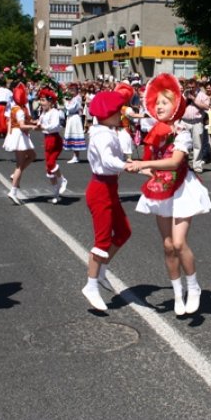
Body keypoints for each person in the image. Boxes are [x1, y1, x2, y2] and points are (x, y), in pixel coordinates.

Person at [127, 73, 211, 316]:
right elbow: (151, 165)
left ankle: (193, 287)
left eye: (164, 103)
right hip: (161, 189)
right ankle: (177, 293)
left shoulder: (182, 131)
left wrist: (143, 165)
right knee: (167, 246)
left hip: (182, 188)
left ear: (175, 105)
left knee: (178, 242)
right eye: (157, 104)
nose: (159, 107)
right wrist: (137, 167)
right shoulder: (155, 132)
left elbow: (175, 162)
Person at [81, 91, 133, 311]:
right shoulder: (102, 135)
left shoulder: (108, 131)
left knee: (123, 231)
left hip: (109, 186)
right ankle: (91, 285)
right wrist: (129, 165)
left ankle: (101, 271)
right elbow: (108, 161)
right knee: (102, 241)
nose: (121, 114)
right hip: (100, 188)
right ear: (108, 113)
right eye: (118, 111)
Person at [3, 83, 37, 205]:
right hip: (19, 135)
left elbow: (17, 122)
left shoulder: (16, 108)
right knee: (19, 164)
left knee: (32, 156)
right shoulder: (20, 110)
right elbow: (22, 125)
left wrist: (34, 122)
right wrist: (33, 127)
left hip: (17, 134)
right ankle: (13, 190)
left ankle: (15, 175)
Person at [35, 88, 68, 204]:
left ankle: (63, 180)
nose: (41, 102)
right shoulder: (43, 113)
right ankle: (56, 193)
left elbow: (54, 125)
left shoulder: (54, 112)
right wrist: (36, 124)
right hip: (47, 139)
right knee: (49, 169)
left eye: (43, 100)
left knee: (51, 163)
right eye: (40, 100)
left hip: (54, 139)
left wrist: (42, 127)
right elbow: (40, 122)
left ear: (50, 102)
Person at [63, 87, 87, 163]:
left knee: (74, 136)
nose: (71, 91)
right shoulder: (73, 98)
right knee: (72, 136)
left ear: (77, 91)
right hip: (71, 117)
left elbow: (70, 108)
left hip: (74, 118)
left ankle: (76, 156)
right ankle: (75, 156)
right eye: (71, 90)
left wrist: (65, 102)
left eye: (73, 90)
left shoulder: (77, 98)